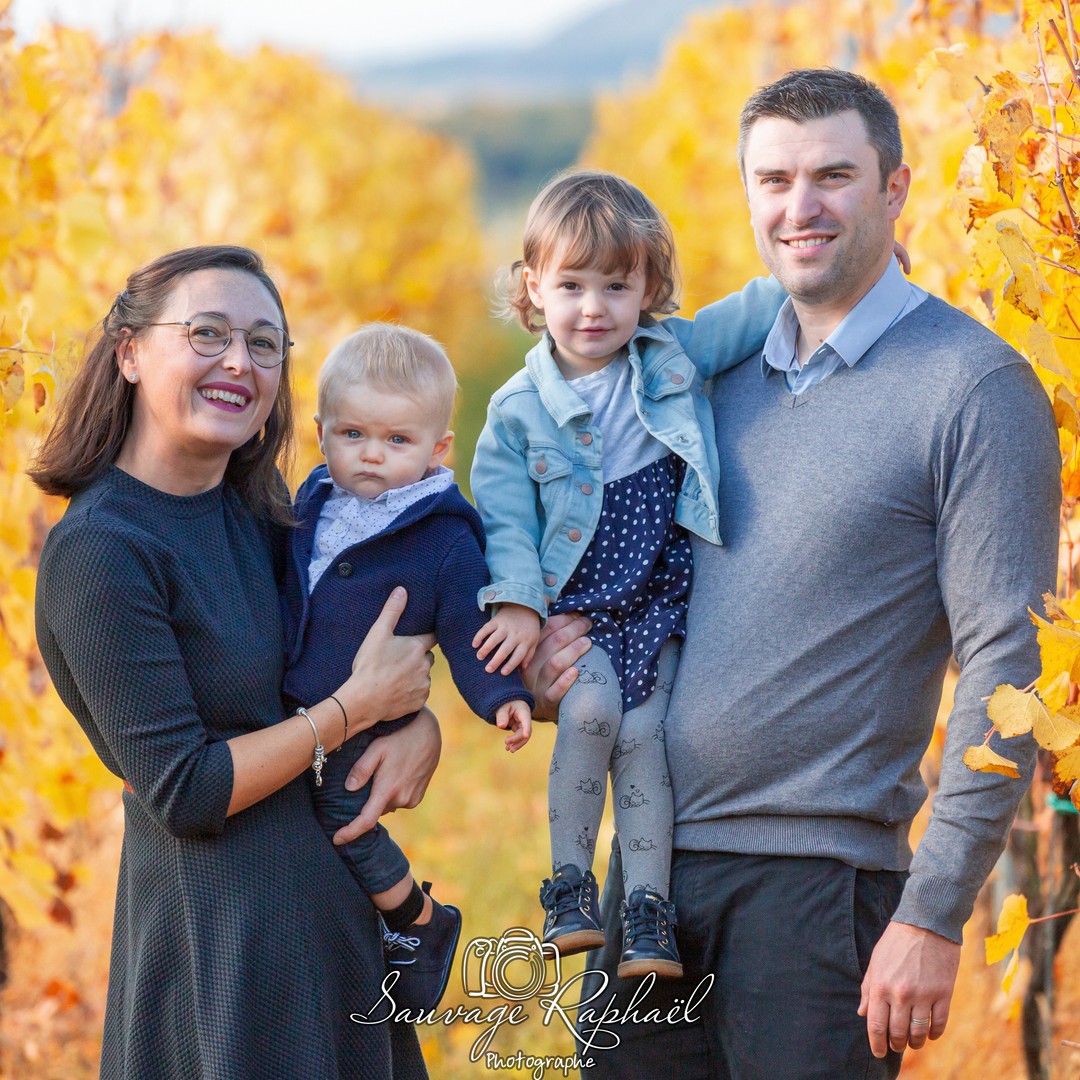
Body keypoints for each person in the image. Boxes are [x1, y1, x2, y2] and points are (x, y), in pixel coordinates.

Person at [526, 71, 1061, 1078]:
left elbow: (1009, 665)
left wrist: (934, 912)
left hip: (820, 893)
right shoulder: (700, 383)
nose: (799, 206)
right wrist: (562, 652)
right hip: (651, 876)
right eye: (773, 180)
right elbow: (633, 571)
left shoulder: (973, 389)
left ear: (896, 189)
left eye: (833, 176)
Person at [31, 246, 444, 1079]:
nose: (238, 362)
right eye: (208, 333)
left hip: (333, 934)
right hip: (223, 959)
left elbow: (349, 659)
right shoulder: (102, 551)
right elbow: (188, 790)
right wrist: (352, 713)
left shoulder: (264, 512)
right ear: (129, 352)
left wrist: (419, 723)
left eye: (263, 344)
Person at [470, 171, 785, 979]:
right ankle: (569, 889)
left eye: (617, 286)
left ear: (648, 290)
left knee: (648, 736)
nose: (594, 308)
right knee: (593, 712)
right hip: (580, 602)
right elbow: (505, 521)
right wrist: (519, 604)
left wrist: (836, 269)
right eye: (571, 286)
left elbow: (747, 313)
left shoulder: (667, 356)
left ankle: (648, 915)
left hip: (656, 597)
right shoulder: (516, 411)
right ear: (533, 288)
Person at [281, 322, 533, 1012]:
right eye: (352, 434)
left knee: (342, 812)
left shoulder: (443, 539)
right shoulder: (310, 503)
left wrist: (501, 695)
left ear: (436, 449)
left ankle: (418, 922)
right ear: (322, 432)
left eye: (397, 440)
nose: (371, 455)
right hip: (300, 708)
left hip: (363, 721)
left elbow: (467, 629)